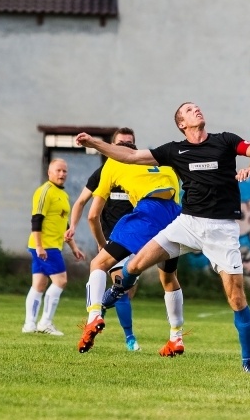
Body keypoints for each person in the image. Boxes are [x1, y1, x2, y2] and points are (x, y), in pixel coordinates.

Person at [76, 101, 250, 373]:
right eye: (189, 110)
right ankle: (118, 290)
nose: (197, 110)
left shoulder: (225, 141)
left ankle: (248, 360)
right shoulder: (175, 150)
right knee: (135, 264)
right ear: (182, 124)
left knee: (236, 297)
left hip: (222, 229)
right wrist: (95, 143)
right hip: (187, 223)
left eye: (197, 107)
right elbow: (131, 156)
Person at [75, 137, 184, 356]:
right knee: (168, 278)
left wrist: (102, 244)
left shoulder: (113, 162)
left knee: (99, 263)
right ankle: (176, 337)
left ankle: (94, 315)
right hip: (176, 216)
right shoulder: (159, 162)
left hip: (149, 212)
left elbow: (93, 215)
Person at [66, 127, 142, 351]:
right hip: (112, 238)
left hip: (137, 238)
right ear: (112, 146)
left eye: (129, 143)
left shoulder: (141, 170)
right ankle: (130, 339)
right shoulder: (104, 171)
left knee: (127, 289)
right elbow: (82, 202)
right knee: (122, 287)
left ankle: (100, 307)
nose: (124, 147)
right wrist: (73, 227)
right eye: (120, 144)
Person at [23, 158, 85, 335]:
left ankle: (29, 324)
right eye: (58, 170)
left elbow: (64, 224)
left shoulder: (63, 195)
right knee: (61, 281)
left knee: (39, 284)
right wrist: (39, 246)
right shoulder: (44, 192)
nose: (62, 174)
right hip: (45, 246)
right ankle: (45, 322)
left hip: (51, 246)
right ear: (49, 172)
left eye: (64, 171)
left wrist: (73, 247)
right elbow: (36, 220)